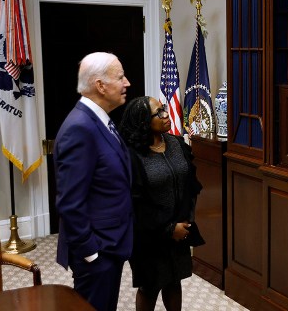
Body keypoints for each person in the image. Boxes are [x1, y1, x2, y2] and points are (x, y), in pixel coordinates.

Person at [54, 52, 133, 311]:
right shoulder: (81, 127)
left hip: (112, 243)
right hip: (98, 251)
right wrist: (91, 252)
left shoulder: (100, 119)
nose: (127, 83)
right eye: (120, 77)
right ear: (100, 85)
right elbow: (69, 202)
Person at [119, 96, 204, 311]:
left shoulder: (176, 143)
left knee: (174, 281)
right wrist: (168, 229)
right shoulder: (131, 155)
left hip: (179, 229)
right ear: (143, 121)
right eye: (158, 113)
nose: (166, 115)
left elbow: (190, 185)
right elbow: (135, 204)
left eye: (164, 109)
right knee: (150, 286)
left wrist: (185, 221)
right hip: (148, 234)